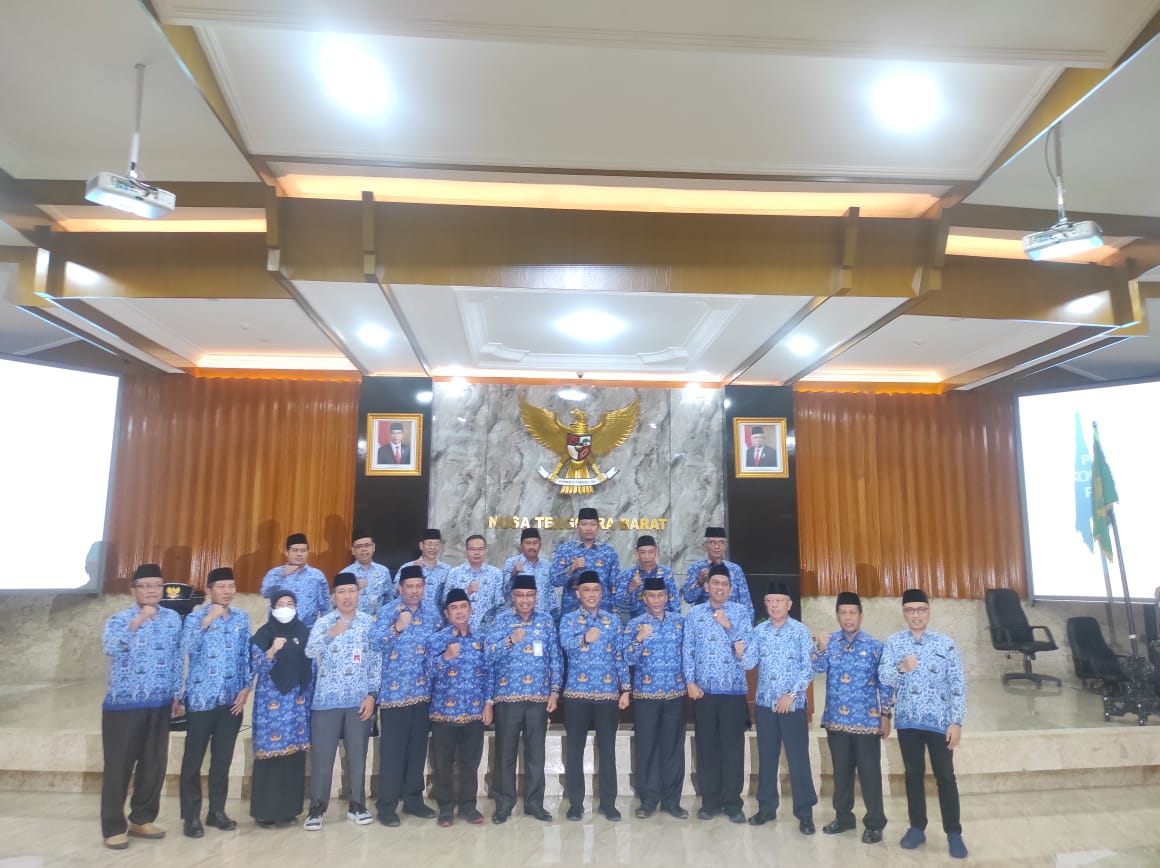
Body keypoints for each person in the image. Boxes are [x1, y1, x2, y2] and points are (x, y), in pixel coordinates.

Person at [878, 589, 968, 860]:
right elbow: (883, 676)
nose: (916, 615)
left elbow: (957, 684)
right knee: (913, 775)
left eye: (921, 609)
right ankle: (917, 828)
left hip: (940, 723)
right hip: (908, 723)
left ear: (928, 611)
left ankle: (954, 833)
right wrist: (901, 668)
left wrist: (956, 722)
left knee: (946, 777)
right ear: (904, 613)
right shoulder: (894, 643)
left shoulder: (945, 644)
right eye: (910, 610)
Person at [99, 563, 184, 850]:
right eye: (145, 586)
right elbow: (110, 647)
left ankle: (142, 818)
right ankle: (113, 827)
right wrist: (138, 622)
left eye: (157, 585)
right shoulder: (119, 619)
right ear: (133, 589)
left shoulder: (172, 618)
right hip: (124, 705)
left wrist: (176, 694)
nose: (152, 590)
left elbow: (176, 658)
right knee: (119, 768)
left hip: (160, 703)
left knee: (153, 766)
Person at [812, 591, 891, 844]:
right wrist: (820, 649)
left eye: (852, 613)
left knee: (870, 774)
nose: (848, 617)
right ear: (837, 616)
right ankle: (844, 817)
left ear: (860, 615)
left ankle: (875, 823)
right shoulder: (830, 643)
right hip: (836, 721)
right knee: (841, 773)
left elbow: (885, 683)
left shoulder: (875, 646)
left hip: (867, 722)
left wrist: (886, 714)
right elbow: (816, 669)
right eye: (843, 613)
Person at [303, 573, 380, 831]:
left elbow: (376, 662)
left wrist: (372, 695)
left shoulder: (369, 623)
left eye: (351, 591)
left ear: (358, 594)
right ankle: (317, 808)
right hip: (326, 702)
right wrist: (330, 635)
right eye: (341, 592)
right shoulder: (324, 622)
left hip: (359, 702)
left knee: (357, 757)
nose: (347, 597)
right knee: (323, 759)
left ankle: (357, 805)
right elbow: (309, 651)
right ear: (333, 596)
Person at [178, 567, 251, 838]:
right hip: (201, 700)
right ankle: (190, 816)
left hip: (231, 701)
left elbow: (246, 655)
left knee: (222, 760)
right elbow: (185, 647)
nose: (227, 591)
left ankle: (216, 811)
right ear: (209, 590)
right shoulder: (195, 617)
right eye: (221, 587)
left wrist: (246, 688)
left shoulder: (241, 618)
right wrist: (208, 620)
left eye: (231, 586)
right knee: (192, 760)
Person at [485, 574, 562, 824]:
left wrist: (554, 691)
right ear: (513, 596)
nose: (525, 600)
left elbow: (555, 658)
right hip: (508, 697)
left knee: (536, 755)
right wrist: (509, 640)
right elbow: (488, 655)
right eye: (520, 595)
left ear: (536, 596)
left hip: (538, 698)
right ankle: (504, 803)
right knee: (505, 754)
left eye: (529, 595)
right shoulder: (501, 621)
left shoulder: (546, 621)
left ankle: (534, 803)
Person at [741, 581, 817, 834]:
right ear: (766, 604)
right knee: (767, 758)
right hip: (765, 704)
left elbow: (808, 668)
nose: (774, 605)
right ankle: (766, 808)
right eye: (770, 601)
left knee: (798, 760)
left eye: (779, 601)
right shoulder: (759, 631)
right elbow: (749, 664)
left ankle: (804, 813)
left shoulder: (800, 631)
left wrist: (792, 695)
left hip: (792, 705)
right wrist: (740, 650)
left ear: (789, 604)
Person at [371, 564, 442, 827]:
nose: (414, 591)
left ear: (424, 588)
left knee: (416, 751)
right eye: (409, 586)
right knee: (392, 753)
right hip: (394, 695)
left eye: (418, 586)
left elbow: (438, 648)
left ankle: (413, 800)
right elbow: (373, 644)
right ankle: (387, 805)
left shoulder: (433, 614)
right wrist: (396, 629)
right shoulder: (387, 612)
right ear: (400, 588)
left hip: (423, 694)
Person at [682, 563, 753, 823]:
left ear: (731, 589)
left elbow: (748, 649)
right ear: (706, 587)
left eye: (725, 584)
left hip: (733, 691)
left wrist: (728, 626)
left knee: (733, 748)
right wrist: (690, 681)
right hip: (704, 693)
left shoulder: (741, 613)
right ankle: (709, 801)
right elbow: (688, 649)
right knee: (707, 746)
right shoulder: (695, 614)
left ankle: (733, 803)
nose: (720, 588)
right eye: (715, 583)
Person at [558, 570, 630, 821]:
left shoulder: (613, 621)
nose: (591, 594)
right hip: (577, 695)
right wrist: (584, 639)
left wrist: (626, 689)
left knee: (608, 751)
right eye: (586, 590)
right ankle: (576, 803)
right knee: (575, 751)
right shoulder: (568, 620)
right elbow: (565, 645)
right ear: (578, 593)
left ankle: (608, 803)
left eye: (595, 590)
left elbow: (620, 657)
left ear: (601, 593)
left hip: (608, 696)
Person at [620, 575, 687, 820]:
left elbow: (688, 656)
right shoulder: (635, 624)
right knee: (646, 748)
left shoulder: (680, 623)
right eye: (651, 596)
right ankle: (648, 800)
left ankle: (672, 801)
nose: (656, 600)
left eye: (660, 596)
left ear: (667, 597)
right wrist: (639, 638)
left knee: (673, 749)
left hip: (675, 694)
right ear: (644, 598)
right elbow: (627, 658)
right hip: (646, 695)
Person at [426, 588, 494, 827]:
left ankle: (468, 806)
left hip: (474, 713)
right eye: (454, 608)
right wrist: (445, 657)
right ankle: (446, 808)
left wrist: (489, 703)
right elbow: (427, 673)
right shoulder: (437, 640)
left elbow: (489, 673)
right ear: (447, 613)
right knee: (443, 763)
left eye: (463, 607)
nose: (459, 612)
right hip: (443, 713)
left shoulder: (481, 639)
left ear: (470, 609)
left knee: (470, 763)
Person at [249, 590, 313, 828]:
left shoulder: (304, 632)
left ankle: (289, 809)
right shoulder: (264, 634)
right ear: (273, 608)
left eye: (290, 603)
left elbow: (311, 668)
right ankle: (265, 811)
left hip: (297, 705)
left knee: (294, 757)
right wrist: (272, 650)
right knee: (270, 756)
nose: (285, 608)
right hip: (271, 707)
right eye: (281, 604)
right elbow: (257, 666)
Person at [549, 507, 620, 616]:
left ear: (598, 527)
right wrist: (571, 568)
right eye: (584, 524)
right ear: (577, 527)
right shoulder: (566, 549)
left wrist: (614, 615)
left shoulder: (608, 552)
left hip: (602, 614)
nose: (588, 528)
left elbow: (615, 586)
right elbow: (554, 580)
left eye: (593, 524)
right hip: (572, 614)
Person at [259, 533, 331, 627]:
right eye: (295, 550)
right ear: (287, 552)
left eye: (303, 550)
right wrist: (281, 575)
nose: (299, 554)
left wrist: (325, 628)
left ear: (308, 552)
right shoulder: (275, 573)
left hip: (307, 629)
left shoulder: (317, 576)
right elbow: (265, 593)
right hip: (278, 629)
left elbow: (326, 605)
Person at [681, 526, 753, 612]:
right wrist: (699, 583)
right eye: (712, 542)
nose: (717, 546)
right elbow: (688, 598)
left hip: (732, 616)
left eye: (721, 542)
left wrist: (747, 618)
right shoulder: (696, 568)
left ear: (725, 546)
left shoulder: (735, 569)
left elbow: (746, 601)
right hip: (704, 616)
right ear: (705, 546)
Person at [444, 534, 505, 631]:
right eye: (472, 549)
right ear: (465, 552)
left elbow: (500, 604)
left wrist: (495, 627)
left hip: (487, 630)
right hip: (460, 630)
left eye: (480, 549)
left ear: (486, 552)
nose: (476, 553)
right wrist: (466, 592)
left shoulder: (495, 573)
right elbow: (445, 600)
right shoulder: (454, 573)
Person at [612, 535, 680, 620]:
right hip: (637, 623)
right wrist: (629, 590)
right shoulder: (627, 575)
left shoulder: (667, 574)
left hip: (663, 622)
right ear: (637, 554)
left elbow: (675, 603)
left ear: (657, 552)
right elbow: (618, 603)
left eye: (651, 552)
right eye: (643, 552)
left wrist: (674, 622)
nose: (647, 556)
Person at [501, 528, 556, 617]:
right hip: (517, 618)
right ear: (521, 545)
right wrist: (514, 574)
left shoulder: (547, 565)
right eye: (528, 543)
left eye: (535, 543)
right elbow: (504, 592)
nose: (532, 547)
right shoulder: (511, 563)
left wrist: (553, 616)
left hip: (542, 619)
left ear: (540, 545)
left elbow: (552, 594)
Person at [395, 528, 451, 612]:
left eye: (436, 544)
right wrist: (413, 571)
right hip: (412, 616)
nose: (432, 547)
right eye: (429, 544)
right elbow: (395, 593)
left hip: (438, 617)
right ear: (421, 545)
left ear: (440, 547)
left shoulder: (447, 570)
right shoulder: (407, 567)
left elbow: (449, 596)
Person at [341, 529, 392, 616]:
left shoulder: (384, 571)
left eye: (367, 545)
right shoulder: (345, 574)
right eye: (359, 546)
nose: (364, 549)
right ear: (353, 550)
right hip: (354, 622)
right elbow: (338, 604)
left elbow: (389, 601)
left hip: (378, 621)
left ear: (373, 547)